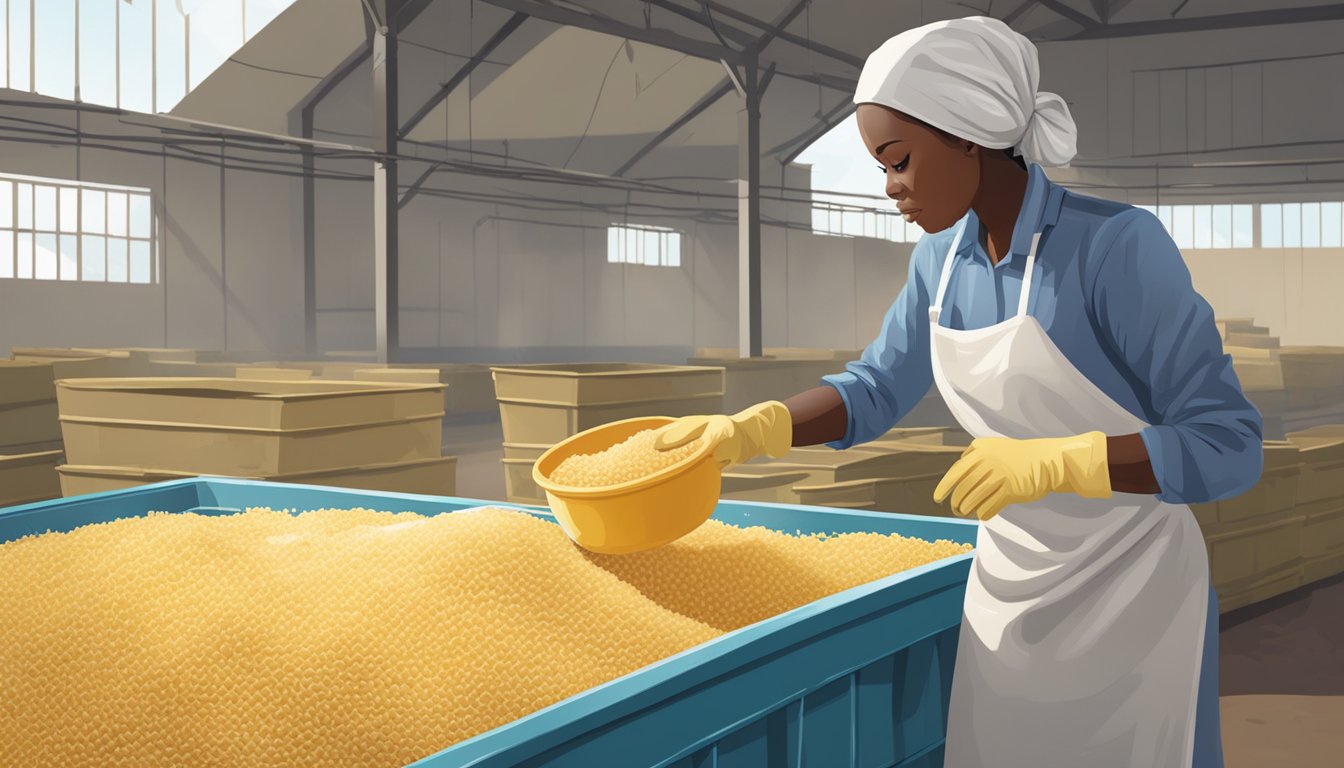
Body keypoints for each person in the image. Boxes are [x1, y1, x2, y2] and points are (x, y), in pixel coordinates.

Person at [653, 15, 1262, 768]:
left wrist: (1065, 463)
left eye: (900, 159)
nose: (890, 188)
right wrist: (753, 429)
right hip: (1010, 591)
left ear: (969, 133)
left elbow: (1230, 445)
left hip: (1134, 601)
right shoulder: (940, 263)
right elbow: (875, 388)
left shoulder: (1115, 248)